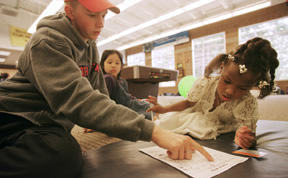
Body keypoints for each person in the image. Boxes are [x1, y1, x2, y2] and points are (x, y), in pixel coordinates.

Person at [0, 0, 212, 177]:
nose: (100, 23)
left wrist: (125, 122)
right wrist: (153, 132)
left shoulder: (89, 44)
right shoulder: (47, 42)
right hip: (15, 116)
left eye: (104, 15)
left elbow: (100, 96)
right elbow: (78, 100)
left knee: (69, 149)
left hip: (46, 123)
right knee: (63, 156)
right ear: (69, 10)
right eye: (92, 14)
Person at [147, 37, 279, 150]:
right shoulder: (205, 83)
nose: (230, 91)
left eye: (242, 88)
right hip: (195, 115)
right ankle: (158, 116)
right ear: (221, 68)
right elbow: (187, 103)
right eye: (227, 81)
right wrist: (163, 109)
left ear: (252, 86)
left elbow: (250, 134)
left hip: (218, 128)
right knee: (168, 122)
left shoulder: (246, 103)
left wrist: (246, 139)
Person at [100, 49, 152, 119]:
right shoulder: (108, 79)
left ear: (121, 66)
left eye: (117, 63)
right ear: (102, 65)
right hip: (125, 109)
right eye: (109, 62)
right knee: (149, 112)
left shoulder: (122, 81)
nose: (113, 65)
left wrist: (138, 100)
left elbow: (126, 97)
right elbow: (104, 102)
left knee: (150, 106)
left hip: (131, 104)